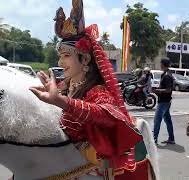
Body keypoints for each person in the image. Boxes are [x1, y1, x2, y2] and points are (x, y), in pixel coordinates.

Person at [29, 1, 149, 178]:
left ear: (85, 60)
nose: (60, 63)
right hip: (61, 159)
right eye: (60, 56)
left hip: (87, 167)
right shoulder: (63, 87)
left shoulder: (97, 91)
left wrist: (61, 102)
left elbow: (108, 116)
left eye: (66, 56)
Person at [153, 58, 175, 145]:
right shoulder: (165, 74)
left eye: (160, 63)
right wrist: (156, 89)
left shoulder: (167, 75)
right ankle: (171, 138)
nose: (160, 65)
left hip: (164, 102)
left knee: (157, 120)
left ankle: (153, 140)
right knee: (167, 120)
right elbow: (164, 87)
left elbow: (168, 90)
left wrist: (157, 91)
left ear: (163, 64)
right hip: (165, 101)